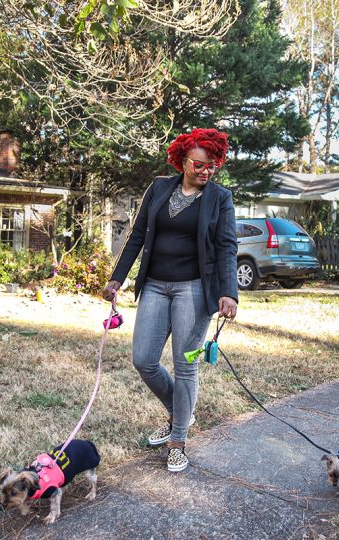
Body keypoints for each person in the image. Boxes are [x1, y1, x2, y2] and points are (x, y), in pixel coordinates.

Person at [102, 128, 238, 472]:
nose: (207, 171)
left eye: (213, 165)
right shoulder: (160, 188)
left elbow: (226, 247)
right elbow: (136, 236)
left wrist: (228, 292)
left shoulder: (220, 198)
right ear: (183, 160)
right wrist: (118, 277)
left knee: (185, 363)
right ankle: (181, 412)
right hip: (156, 286)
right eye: (200, 164)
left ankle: (178, 441)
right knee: (144, 359)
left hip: (193, 289)